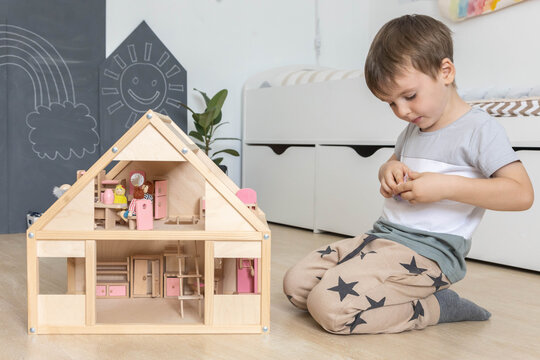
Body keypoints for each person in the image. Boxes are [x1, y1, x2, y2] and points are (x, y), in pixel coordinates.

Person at [283, 14, 534, 335]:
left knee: (331, 310)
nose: (402, 111)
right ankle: (381, 294)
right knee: (297, 285)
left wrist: (446, 186)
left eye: (409, 96)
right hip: (380, 239)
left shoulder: (479, 130)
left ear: (445, 71)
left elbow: (521, 194)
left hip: (428, 254)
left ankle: (435, 307)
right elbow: (391, 163)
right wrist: (387, 171)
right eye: (391, 103)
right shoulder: (415, 127)